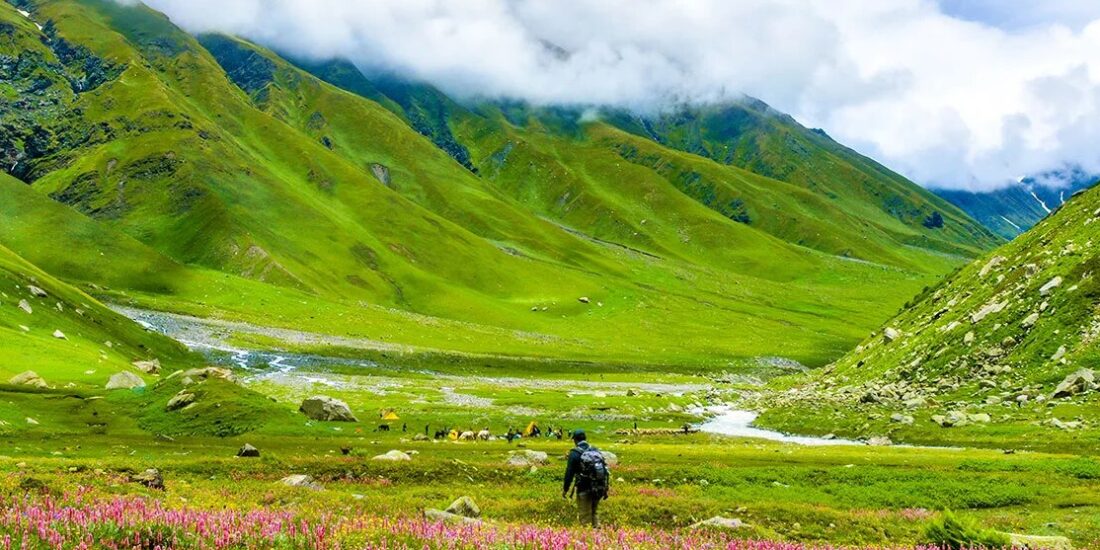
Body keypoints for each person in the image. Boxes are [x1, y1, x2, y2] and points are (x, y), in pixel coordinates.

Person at [562, 429, 609, 528]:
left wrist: (566, 489)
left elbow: (569, 473)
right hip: (598, 488)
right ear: (585, 438)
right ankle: (599, 538)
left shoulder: (574, 453)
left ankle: (588, 539)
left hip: (583, 488)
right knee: (595, 513)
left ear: (575, 440)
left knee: (585, 516)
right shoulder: (595, 450)